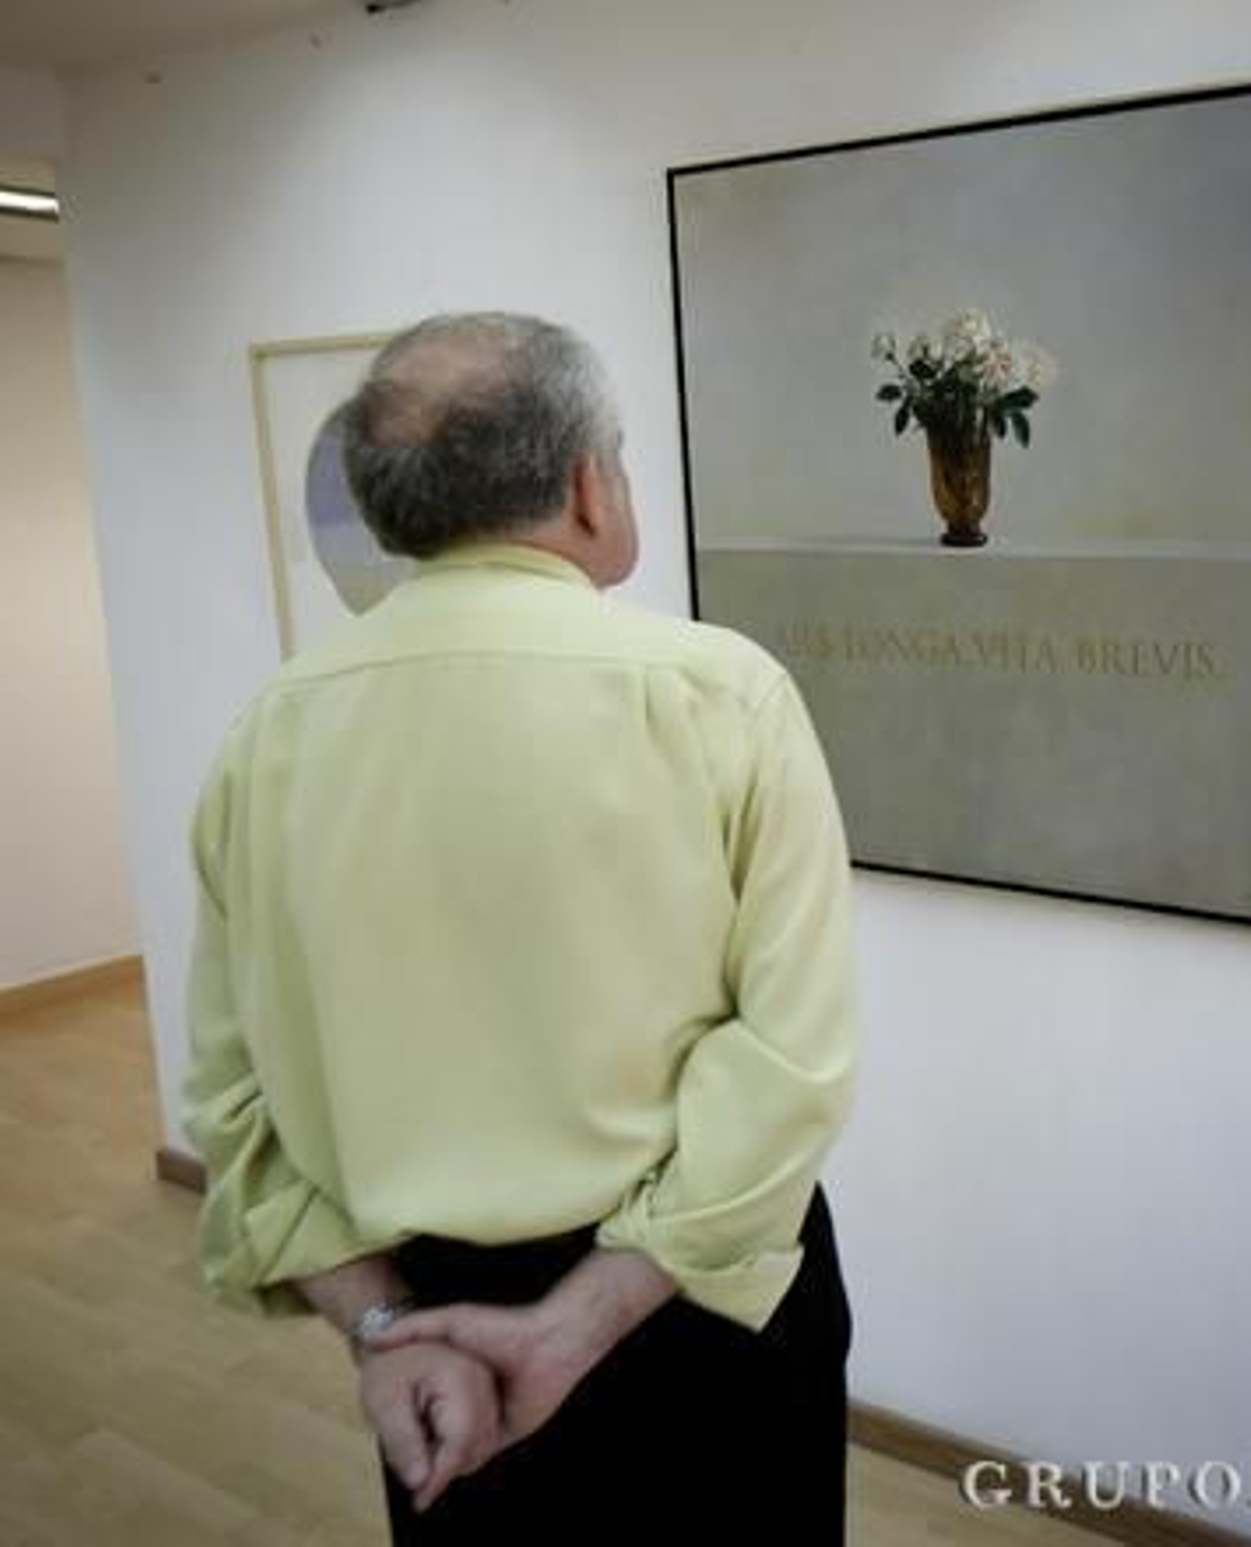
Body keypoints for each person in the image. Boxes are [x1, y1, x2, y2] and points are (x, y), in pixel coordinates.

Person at [182, 312, 860, 1542]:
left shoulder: (265, 737)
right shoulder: (723, 695)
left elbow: (234, 1106)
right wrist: (576, 1322)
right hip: (699, 1316)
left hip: (433, 1338)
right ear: (590, 484)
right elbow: (792, 1056)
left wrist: (382, 1326)